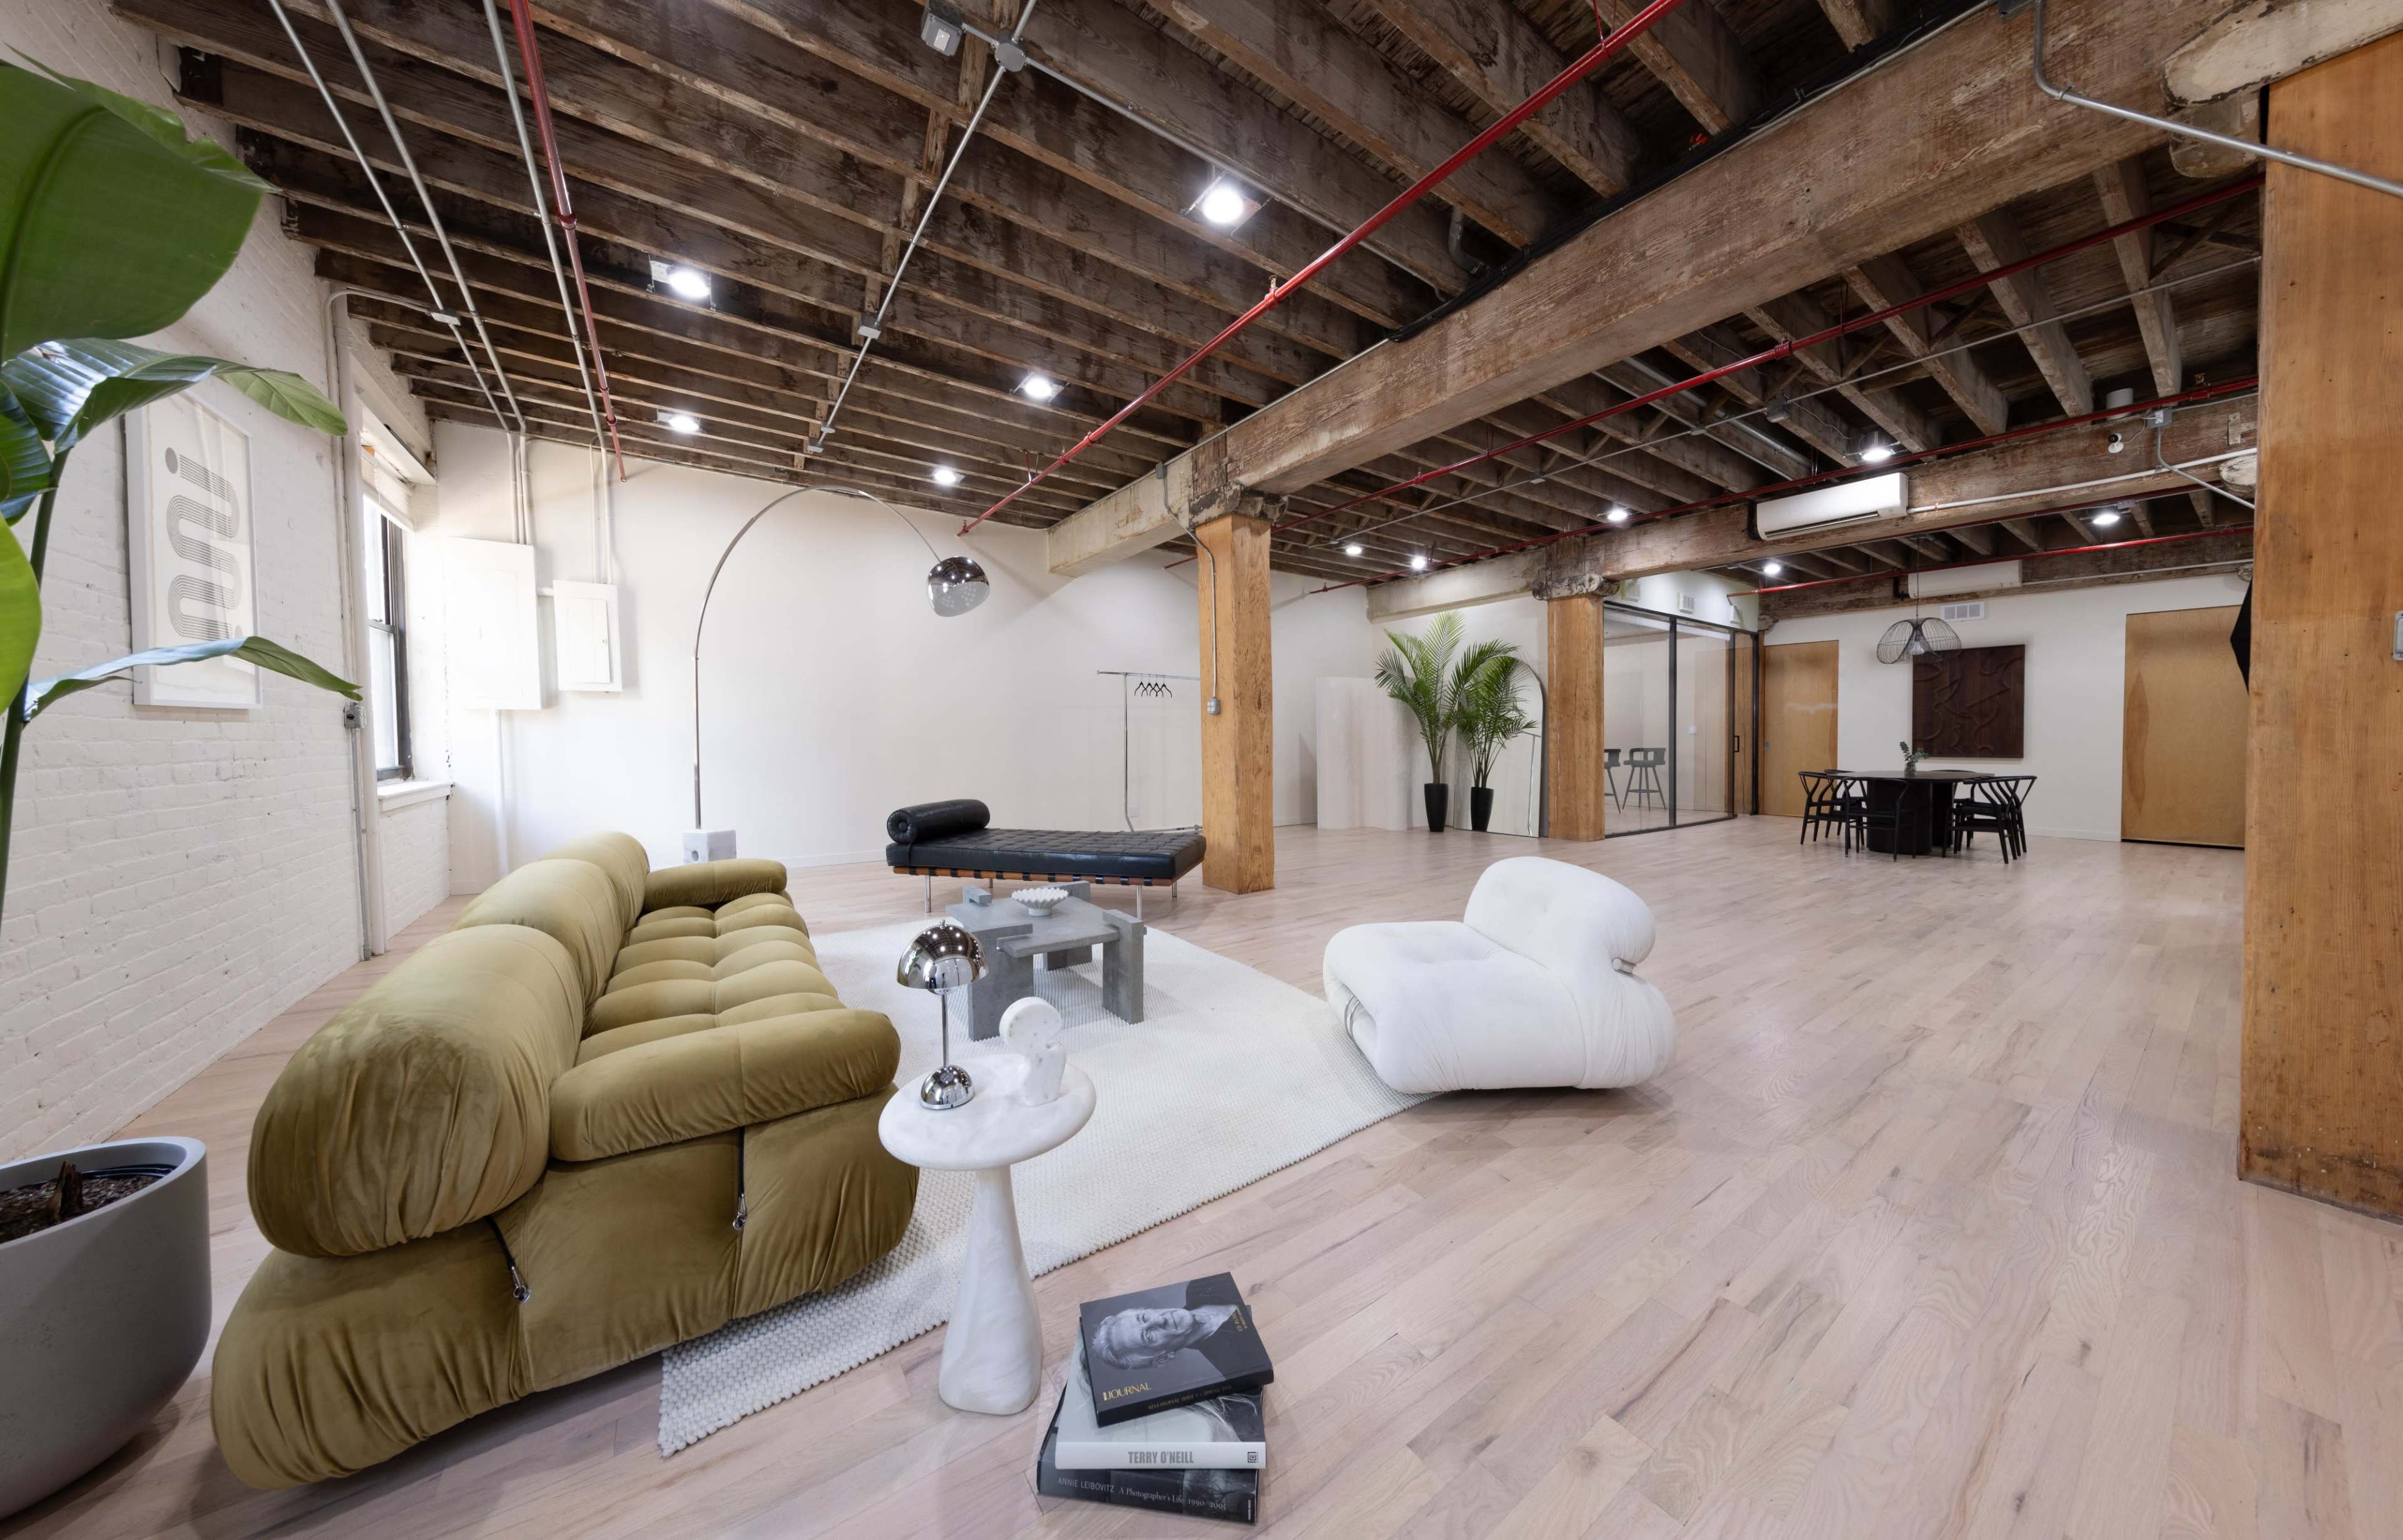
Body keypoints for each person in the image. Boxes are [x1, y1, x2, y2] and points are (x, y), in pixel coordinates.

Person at [1088, 1274, 1255, 1378]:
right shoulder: (1237, 1363)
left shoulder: (1198, 1286)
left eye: (1144, 1317)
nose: (1160, 1320)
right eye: (1149, 1336)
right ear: (1163, 1357)